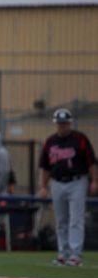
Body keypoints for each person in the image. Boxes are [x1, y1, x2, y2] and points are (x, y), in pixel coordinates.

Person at [38, 108, 98, 267]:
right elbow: (45, 167)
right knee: (61, 220)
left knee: (76, 219)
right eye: (59, 123)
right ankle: (63, 253)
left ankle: (75, 254)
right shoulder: (50, 141)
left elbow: (91, 162)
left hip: (77, 181)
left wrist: (94, 181)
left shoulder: (80, 139)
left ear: (70, 123)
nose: (62, 126)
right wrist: (43, 186)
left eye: (64, 123)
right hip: (57, 182)